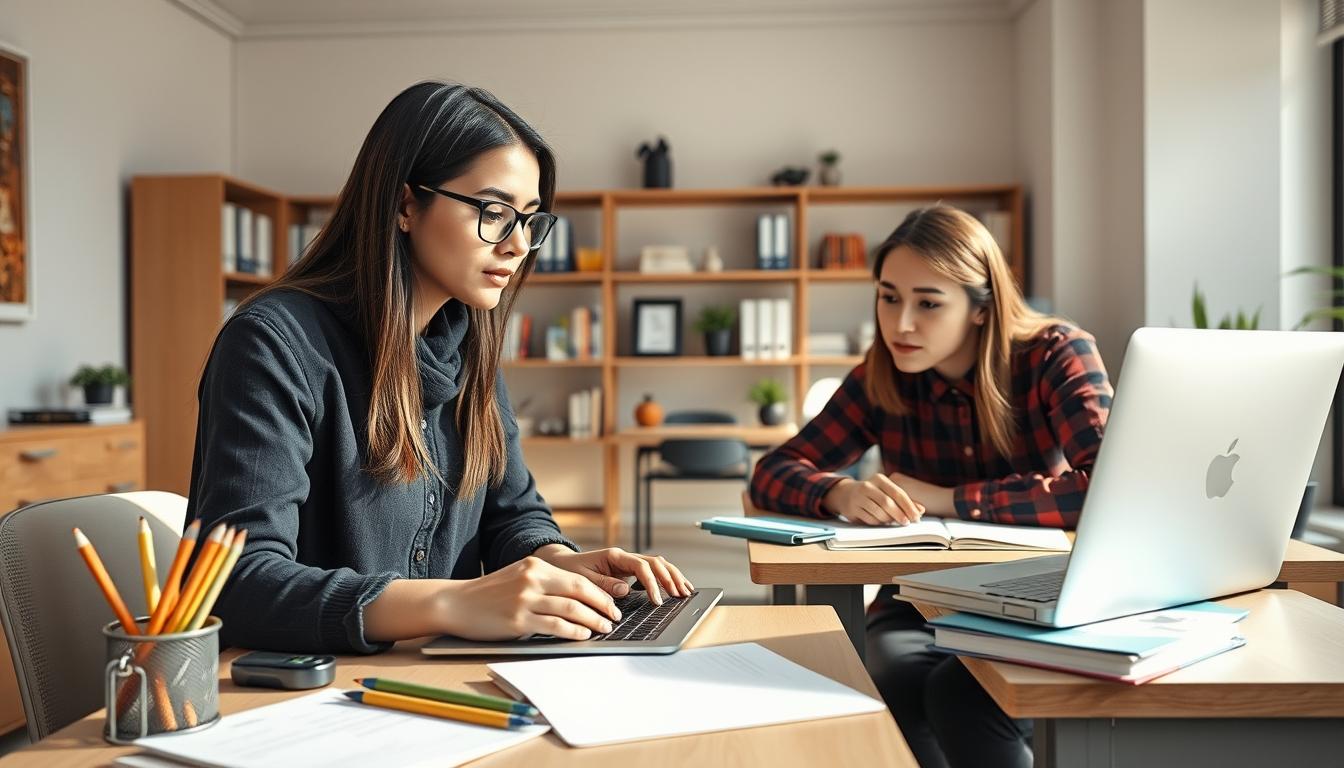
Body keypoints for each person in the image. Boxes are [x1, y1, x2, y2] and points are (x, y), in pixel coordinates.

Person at [186, 81, 692, 654]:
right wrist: (453, 601)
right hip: (310, 696)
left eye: (528, 221)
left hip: (440, 679)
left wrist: (558, 561)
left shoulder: (469, 345)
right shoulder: (275, 344)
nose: (518, 246)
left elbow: (511, 514)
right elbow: (234, 581)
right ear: (406, 205)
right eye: (495, 213)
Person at [749, 205, 1112, 768]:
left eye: (928, 303)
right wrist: (839, 492)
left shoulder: (1055, 353)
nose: (901, 325)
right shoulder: (883, 372)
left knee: (961, 697)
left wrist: (948, 499)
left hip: (1038, 593)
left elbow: (1104, 490)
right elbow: (773, 470)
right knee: (891, 675)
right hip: (918, 596)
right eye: (888, 297)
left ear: (980, 307)